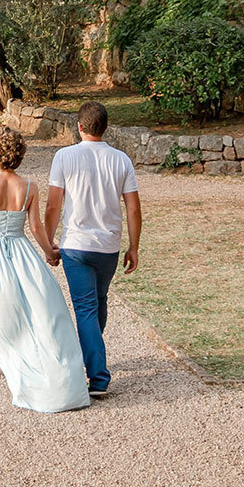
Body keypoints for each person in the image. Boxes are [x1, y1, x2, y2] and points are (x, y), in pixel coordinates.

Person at [0, 126, 92, 413]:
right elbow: (35, 227)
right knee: (39, 306)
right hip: (22, 252)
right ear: (20, 155)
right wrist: (49, 252)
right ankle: (43, 360)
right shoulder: (30, 187)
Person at [44, 101, 144, 399]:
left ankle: (98, 377)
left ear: (79, 127)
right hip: (108, 246)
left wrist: (49, 241)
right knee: (98, 303)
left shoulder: (64, 156)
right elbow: (134, 208)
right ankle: (93, 357)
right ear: (106, 128)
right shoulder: (121, 160)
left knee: (87, 308)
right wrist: (134, 246)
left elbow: (53, 205)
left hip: (76, 244)